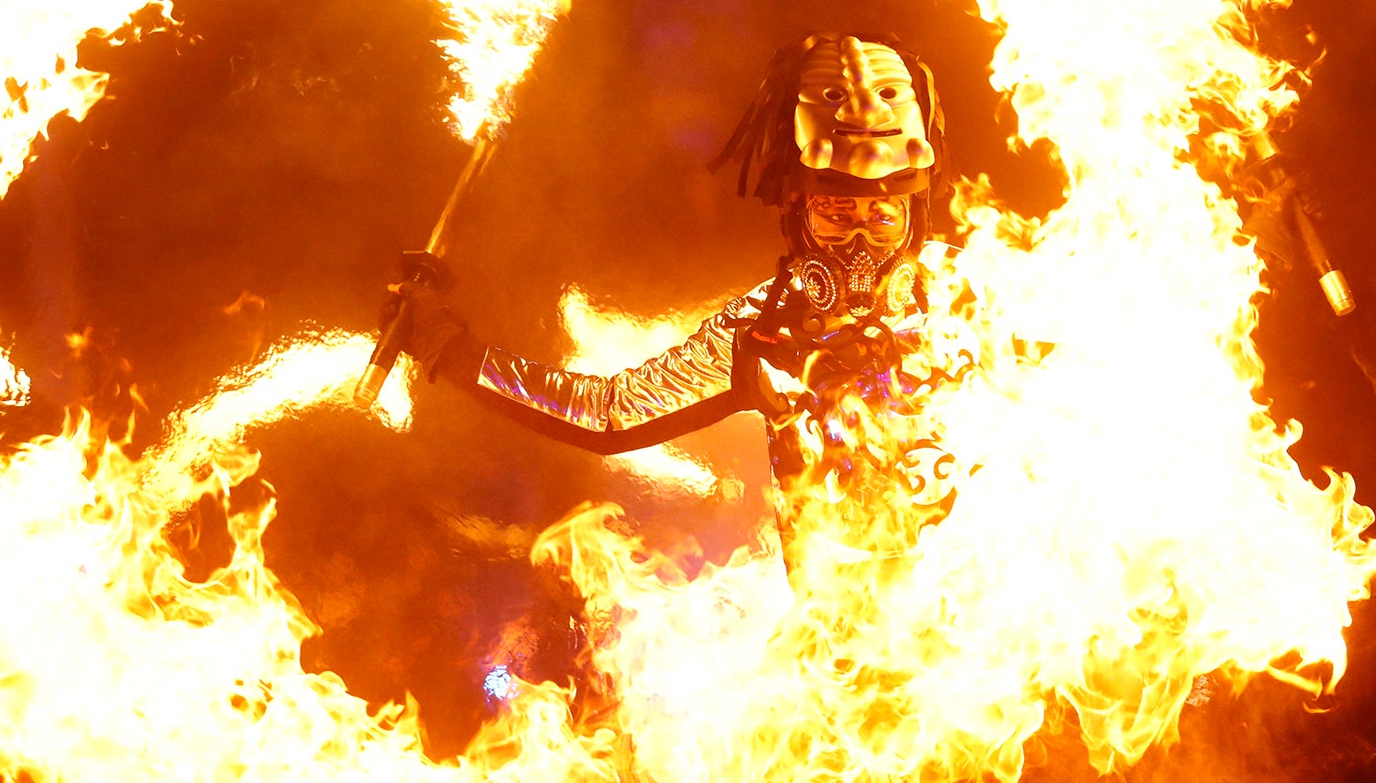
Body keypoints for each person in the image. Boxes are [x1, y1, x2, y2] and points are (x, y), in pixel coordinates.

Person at [393, 33, 959, 570]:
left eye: (881, 216)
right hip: (850, 646)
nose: (858, 240)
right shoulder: (763, 332)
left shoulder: (979, 298)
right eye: (835, 216)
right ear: (797, 216)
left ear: (914, 218)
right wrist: (452, 350)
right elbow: (609, 412)